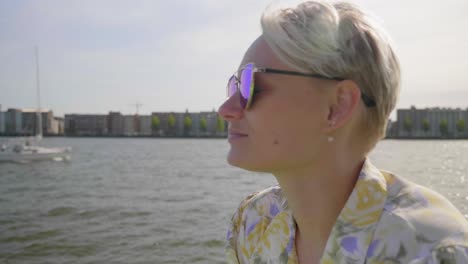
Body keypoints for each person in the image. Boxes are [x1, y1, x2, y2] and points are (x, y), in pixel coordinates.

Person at [218, 1, 468, 263]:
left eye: (249, 84)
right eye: (234, 86)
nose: (226, 108)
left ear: (337, 106)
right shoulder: (251, 222)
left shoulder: (434, 251)